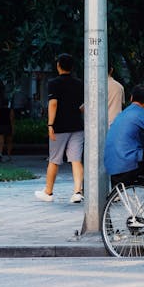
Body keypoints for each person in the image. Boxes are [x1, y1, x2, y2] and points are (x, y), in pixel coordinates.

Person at [35, 53, 84, 204]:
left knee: (54, 160)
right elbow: (83, 106)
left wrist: (50, 124)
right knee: (76, 160)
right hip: (77, 125)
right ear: (72, 67)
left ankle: (48, 192)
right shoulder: (79, 83)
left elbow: (53, 104)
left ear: (58, 66)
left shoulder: (53, 83)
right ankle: (77, 191)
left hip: (60, 127)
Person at [0, 96, 15, 162]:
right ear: (7, 103)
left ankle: (0, 153)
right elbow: (12, 120)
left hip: (1, 126)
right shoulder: (10, 110)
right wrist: (13, 128)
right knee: (9, 142)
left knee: (1, 141)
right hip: (8, 126)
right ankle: (8, 155)